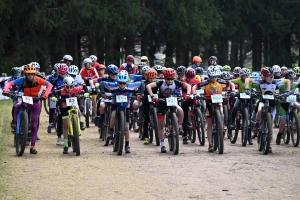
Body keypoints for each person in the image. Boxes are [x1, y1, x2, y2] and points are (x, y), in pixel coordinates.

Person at [2, 64, 53, 154]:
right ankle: (15, 123)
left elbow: (50, 85)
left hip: (36, 102)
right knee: (17, 106)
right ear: (25, 74)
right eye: (28, 74)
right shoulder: (22, 80)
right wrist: (5, 90)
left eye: (32, 74)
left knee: (34, 124)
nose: (30, 75)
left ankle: (32, 146)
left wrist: (45, 95)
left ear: (34, 74)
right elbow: (10, 83)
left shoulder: (38, 80)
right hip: (26, 100)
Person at [244, 67, 291, 153]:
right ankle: (257, 123)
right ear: (264, 76)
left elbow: (287, 81)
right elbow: (247, 79)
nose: (271, 78)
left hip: (272, 104)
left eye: (272, 76)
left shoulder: (275, 81)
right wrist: (247, 89)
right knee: (259, 111)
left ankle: (269, 145)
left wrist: (287, 91)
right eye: (269, 76)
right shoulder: (260, 81)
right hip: (263, 102)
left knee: (271, 127)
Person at [146, 68, 191, 153]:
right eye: (168, 79)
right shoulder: (161, 83)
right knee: (161, 124)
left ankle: (179, 127)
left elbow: (188, 86)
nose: (170, 81)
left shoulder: (176, 82)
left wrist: (188, 94)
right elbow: (148, 86)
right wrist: (152, 96)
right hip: (161, 102)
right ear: (165, 78)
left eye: (171, 79)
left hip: (171, 100)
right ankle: (162, 144)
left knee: (180, 110)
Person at [102, 71, 144, 153]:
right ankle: (110, 131)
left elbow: (142, 84)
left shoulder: (130, 86)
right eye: (120, 83)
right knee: (113, 116)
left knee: (127, 127)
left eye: (123, 83)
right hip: (115, 105)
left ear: (127, 82)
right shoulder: (113, 85)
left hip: (126, 107)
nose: (121, 85)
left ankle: (127, 145)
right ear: (117, 82)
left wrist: (140, 94)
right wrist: (102, 93)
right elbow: (102, 83)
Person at [192, 66, 227, 152]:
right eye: (212, 77)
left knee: (222, 113)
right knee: (210, 123)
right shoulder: (205, 83)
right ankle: (210, 144)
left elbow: (231, 84)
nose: (214, 78)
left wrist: (232, 90)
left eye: (215, 76)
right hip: (209, 102)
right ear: (209, 76)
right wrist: (195, 94)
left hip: (219, 102)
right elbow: (195, 87)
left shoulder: (221, 82)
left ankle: (222, 125)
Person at [230, 68, 254, 145]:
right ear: (241, 76)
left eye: (247, 75)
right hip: (240, 98)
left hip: (248, 99)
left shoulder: (251, 80)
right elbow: (230, 81)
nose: (246, 77)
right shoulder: (239, 80)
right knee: (235, 108)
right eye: (244, 75)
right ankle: (232, 122)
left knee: (249, 119)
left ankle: (249, 137)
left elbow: (257, 85)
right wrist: (234, 89)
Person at [276, 70, 300, 145]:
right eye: (289, 79)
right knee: (283, 121)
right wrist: (277, 95)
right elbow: (275, 91)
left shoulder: (295, 84)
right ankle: (279, 135)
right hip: (283, 104)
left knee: (299, 106)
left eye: (293, 79)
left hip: (292, 102)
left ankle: (295, 119)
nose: (291, 80)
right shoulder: (281, 85)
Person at [181, 68, 200, 144]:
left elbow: (202, 88)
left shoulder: (197, 81)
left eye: (191, 77)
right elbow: (178, 89)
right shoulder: (183, 81)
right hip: (185, 99)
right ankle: (185, 135)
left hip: (194, 98)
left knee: (200, 104)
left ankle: (200, 116)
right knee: (185, 117)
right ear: (186, 76)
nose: (190, 79)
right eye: (188, 77)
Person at [141, 69, 158, 144]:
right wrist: (141, 95)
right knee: (146, 118)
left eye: (153, 78)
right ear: (147, 77)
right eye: (150, 78)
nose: (151, 79)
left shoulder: (157, 83)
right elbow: (141, 91)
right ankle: (146, 137)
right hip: (146, 101)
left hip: (155, 100)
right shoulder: (143, 83)